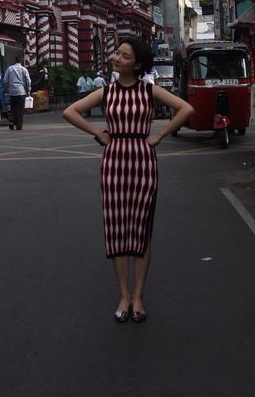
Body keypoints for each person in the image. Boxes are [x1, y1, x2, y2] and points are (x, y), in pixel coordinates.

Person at [63, 37, 194, 324]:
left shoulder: (149, 90)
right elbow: (69, 111)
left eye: (123, 55)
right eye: (117, 53)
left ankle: (138, 296)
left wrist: (159, 135)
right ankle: (123, 295)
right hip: (113, 163)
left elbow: (186, 109)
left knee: (142, 228)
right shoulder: (106, 91)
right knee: (117, 228)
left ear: (137, 63)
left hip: (143, 163)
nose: (116, 57)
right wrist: (97, 133)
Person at [3, 56, 31, 131]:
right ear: (21, 61)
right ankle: (19, 124)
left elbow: (5, 80)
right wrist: (28, 91)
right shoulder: (24, 69)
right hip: (21, 91)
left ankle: (12, 122)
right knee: (20, 109)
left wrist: (7, 89)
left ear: (14, 61)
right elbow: (28, 81)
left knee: (13, 108)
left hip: (12, 92)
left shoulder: (10, 68)